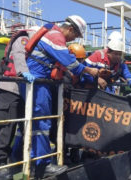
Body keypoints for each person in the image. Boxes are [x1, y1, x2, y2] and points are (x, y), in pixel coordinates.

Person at [26, 15, 99, 178]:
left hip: (41, 82)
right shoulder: (56, 37)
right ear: (71, 29)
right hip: (38, 83)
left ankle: (35, 162)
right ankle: (41, 165)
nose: (74, 39)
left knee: (41, 123)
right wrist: (89, 70)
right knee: (41, 124)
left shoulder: (52, 34)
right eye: (76, 35)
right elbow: (70, 63)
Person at [0, 26, 39, 180]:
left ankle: (26, 162)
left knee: (27, 129)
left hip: (24, 91)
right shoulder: (24, 39)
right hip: (9, 90)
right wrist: (23, 72)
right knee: (7, 128)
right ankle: (1, 166)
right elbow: (19, 55)